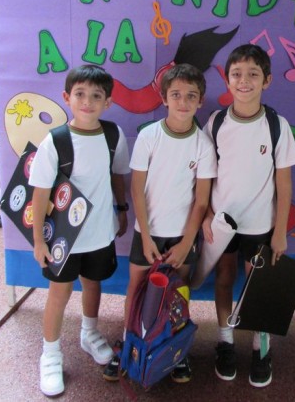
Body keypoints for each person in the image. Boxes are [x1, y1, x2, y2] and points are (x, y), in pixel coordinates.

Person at [102, 63, 217, 384]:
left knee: (178, 294)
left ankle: (176, 350)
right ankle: (129, 344)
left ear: (200, 100)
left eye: (191, 96)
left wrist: (186, 243)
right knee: (136, 289)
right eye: (176, 94)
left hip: (183, 237)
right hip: (147, 234)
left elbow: (202, 201)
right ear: (164, 98)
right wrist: (146, 236)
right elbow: (136, 190)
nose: (183, 101)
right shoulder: (149, 136)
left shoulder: (203, 145)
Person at [29, 65, 130, 397]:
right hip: (64, 238)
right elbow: (40, 193)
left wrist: (122, 209)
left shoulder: (113, 135)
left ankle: (89, 332)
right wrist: (39, 240)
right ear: (67, 97)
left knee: (93, 283)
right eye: (80, 94)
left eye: (97, 96)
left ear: (108, 102)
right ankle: (50, 354)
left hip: (100, 233)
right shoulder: (55, 141)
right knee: (59, 294)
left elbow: (117, 175)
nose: (88, 101)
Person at [202, 43, 295, 388]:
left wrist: (280, 231)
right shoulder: (215, 123)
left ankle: (261, 349)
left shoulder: (276, 126)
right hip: (222, 224)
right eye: (237, 74)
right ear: (227, 80)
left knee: (258, 287)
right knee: (224, 278)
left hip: (260, 225)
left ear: (266, 80)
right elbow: (205, 177)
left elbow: (284, 184)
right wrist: (207, 215)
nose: (244, 81)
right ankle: (225, 342)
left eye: (253, 74)